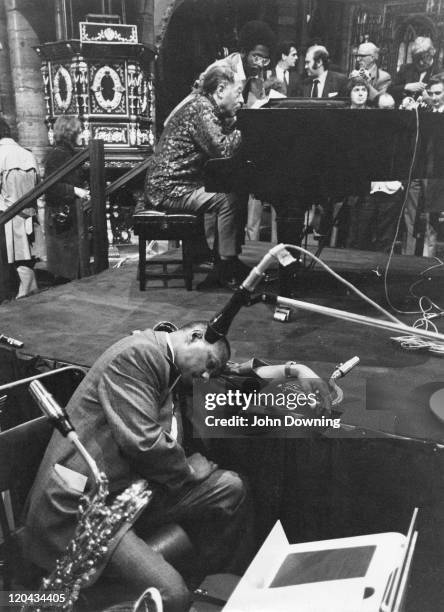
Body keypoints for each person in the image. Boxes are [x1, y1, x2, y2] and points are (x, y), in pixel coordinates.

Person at [23, 321, 331, 611]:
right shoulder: (139, 354)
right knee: (171, 594)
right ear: (194, 338)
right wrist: (191, 470)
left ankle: (210, 584)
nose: (209, 377)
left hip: (130, 494)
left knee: (230, 489)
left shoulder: (175, 358)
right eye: (209, 366)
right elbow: (143, 443)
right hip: (85, 508)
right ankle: (82, 600)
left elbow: (233, 372)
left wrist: (294, 369)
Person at [144, 65, 246, 290]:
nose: (242, 99)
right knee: (227, 199)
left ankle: (228, 260)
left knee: (233, 192)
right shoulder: (201, 108)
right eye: (237, 92)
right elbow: (224, 150)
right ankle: (226, 267)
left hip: (179, 184)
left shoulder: (203, 106)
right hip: (168, 188)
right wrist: (244, 124)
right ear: (220, 90)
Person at [44, 116, 90, 282]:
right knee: (65, 269)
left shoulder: (68, 153)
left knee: (71, 267)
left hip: (69, 218)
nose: (82, 134)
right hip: (61, 218)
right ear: (69, 133)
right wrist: (75, 190)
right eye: (79, 131)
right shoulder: (58, 154)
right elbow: (50, 188)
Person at [0, 118, 39, 298]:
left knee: (11, 263)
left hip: (6, 216)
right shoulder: (28, 154)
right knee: (25, 259)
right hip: (28, 215)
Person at [390, 36, 438, 107]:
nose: (421, 63)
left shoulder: (438, 72)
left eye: (425, 57)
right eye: (418, 59)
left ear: (431, 54)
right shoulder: (405, 68)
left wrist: (428, 98)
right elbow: (390, 90)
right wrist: (406, 86)